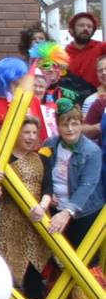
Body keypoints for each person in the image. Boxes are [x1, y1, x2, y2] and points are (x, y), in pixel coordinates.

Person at [0, 114, 54, 299]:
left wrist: (42, 206)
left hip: (36, 220)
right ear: (16, 133)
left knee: (34, 270)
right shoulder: (2, 159)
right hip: (9, 222)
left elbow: (48, 187)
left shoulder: (42, 158)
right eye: (26, 132)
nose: (31, 137)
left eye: (34, 133)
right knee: (8, 268)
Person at [43, 106, 105, 250]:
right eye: (65, 124)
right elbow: (43, 173)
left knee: (81, 255)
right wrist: (48, 193)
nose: (70, 129)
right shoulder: (49, 144)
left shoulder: (92, 151)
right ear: (58, 126)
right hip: (54, 208)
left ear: (81, 124)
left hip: (83, 212)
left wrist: (67, 212)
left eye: (75, 124)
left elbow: (87, 185)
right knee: (54, 253)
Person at [69, 11, 104, 91]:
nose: (86, 28)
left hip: (98, 96)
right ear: (71, 29)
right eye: (81, 25)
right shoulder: (63, 55)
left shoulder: (102, 48)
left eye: (89, 26)